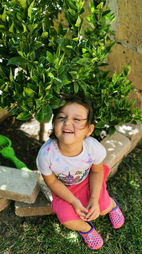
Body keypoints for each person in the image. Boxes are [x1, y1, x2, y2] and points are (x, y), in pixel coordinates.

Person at [36, 95, 124, 250]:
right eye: (61, 117)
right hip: (64, 189)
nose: (68, 122)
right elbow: (52, 182)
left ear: (89, 130)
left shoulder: (92, 148)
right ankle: (86, 229)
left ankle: (112, 205)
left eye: (77, 119)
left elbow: (97, 172)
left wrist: (94, 199)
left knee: (102, 208)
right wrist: (74, 202)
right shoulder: (46, 154)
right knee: (68, 220)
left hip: (88, 181)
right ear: (54, 123)